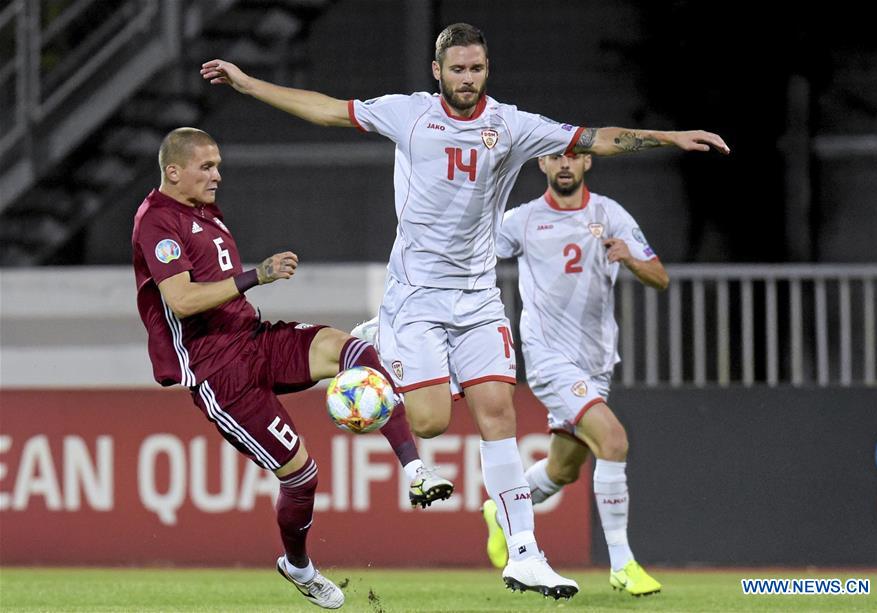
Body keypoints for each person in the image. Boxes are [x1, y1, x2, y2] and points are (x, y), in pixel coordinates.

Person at [201, 22, 728, 599]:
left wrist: (671, 137)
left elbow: (596, 138)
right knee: (429, 421)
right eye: (458, 70)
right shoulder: (409, 115)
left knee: (499, 412)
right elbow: (328, 110)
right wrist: (250, 84)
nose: (468, 80)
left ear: (486, 69)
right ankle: (385, 336)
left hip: (477, 299)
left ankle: (525, 552)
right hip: (418, 297)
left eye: (476, 69)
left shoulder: (512, 126)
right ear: (437, 71)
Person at [131, 127, 452, 610]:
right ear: (174, 171)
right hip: (219, 372)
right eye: (207, 167)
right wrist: (255, 276)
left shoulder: (203, 212)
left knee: (351, 349)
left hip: (255, 340)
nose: (218, 175)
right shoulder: (157, 220)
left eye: (218, 165)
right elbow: (179, 301)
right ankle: (298, 565)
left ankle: (416, 470)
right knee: (301, 477)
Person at [479, 151, 668, 597]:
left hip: (596, 363)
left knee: (563, 470)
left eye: (575, 156)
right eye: (555, 157)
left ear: (587, 164)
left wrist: (631, 259)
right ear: (541, 165)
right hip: (547, 358)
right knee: (614, 440)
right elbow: (474, 255)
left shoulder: (610, 214)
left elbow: (659, 277)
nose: (565, 164)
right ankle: (623, 563)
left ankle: (499, 509)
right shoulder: (522, 220)